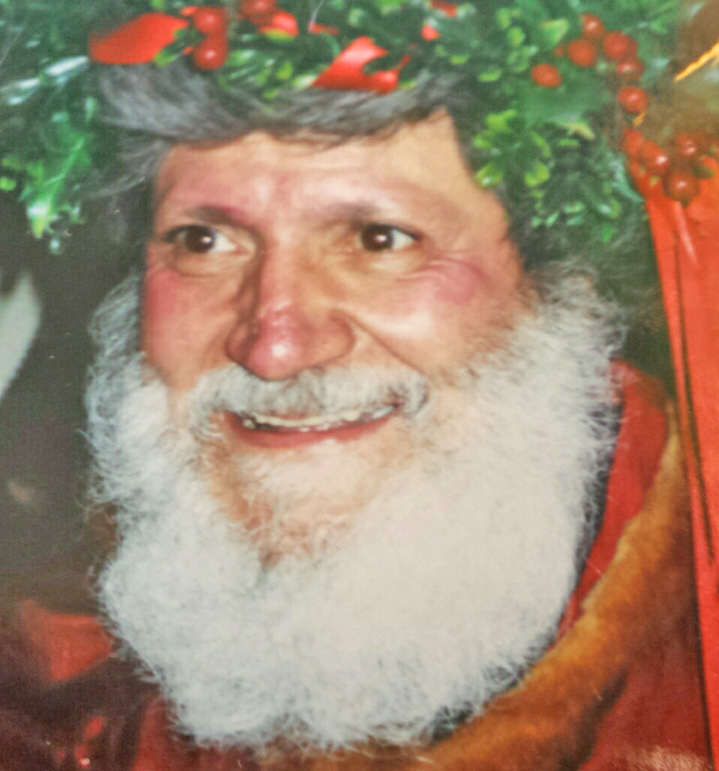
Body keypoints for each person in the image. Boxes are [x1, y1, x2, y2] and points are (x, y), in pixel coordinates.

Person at [0, 0, 714, 768]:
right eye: (202, 239)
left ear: (565, 289)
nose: (273, 346)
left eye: (379, 238)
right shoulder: (45, 689)